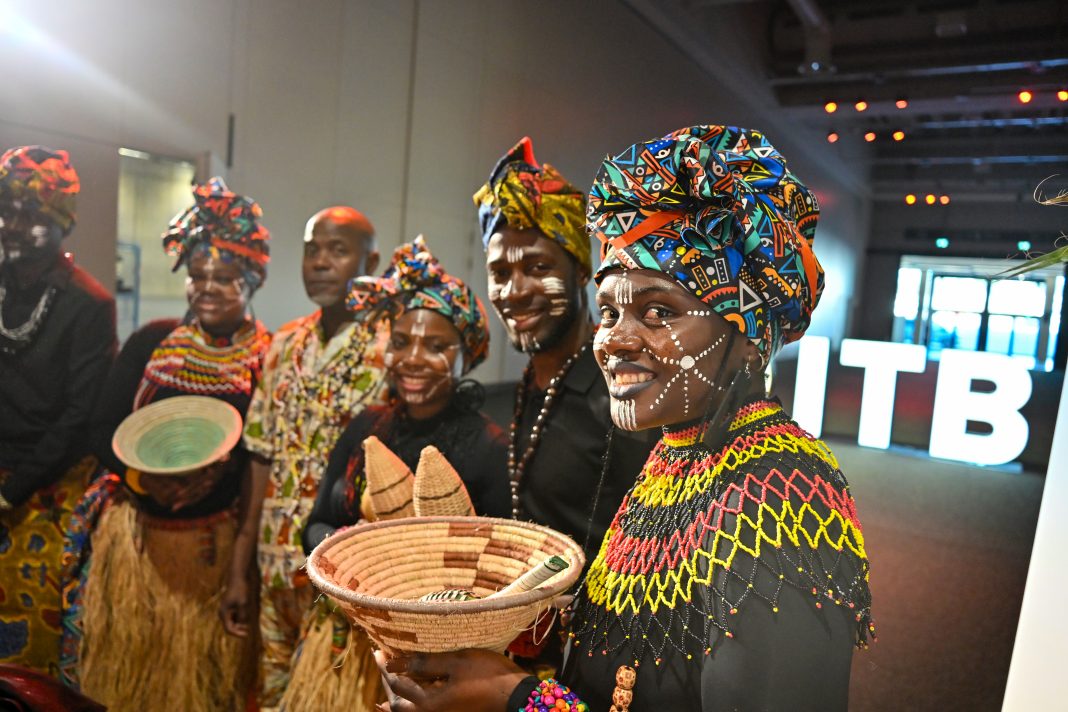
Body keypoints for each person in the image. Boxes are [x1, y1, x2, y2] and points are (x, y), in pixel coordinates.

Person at [376, 125, 873, 711]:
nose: (613, 340)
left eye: (659, 312)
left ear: (747, 336)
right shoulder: (680, 451)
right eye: (609, 312)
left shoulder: (779, 496)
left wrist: (515, 699)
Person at [60, 178, 270, 711]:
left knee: (201, 687)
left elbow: (261, 457)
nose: (207, 288)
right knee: (126, 676)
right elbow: (102, 428)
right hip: (138, 536)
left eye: (225, 278)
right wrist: (144, 479)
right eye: (197, 276)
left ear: (252, 281)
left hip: (213, 547)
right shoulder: (152, 341)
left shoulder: (269, 357)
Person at [283, 236, 508, 711]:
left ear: (467, 353)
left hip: (430, 665)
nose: (412, 359)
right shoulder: (366, 427)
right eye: (401, 342)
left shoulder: (488, 445)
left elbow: (495, 569)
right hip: (339, 647)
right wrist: (356, 555)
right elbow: (315, 524)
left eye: (436, 346)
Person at [224, 205, 388, 709]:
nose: (320, 262)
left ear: (370, 262)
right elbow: (260, 456)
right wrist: (239, 565)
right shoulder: (284, 343)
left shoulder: (391, 347)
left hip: (342, 574)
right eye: (312, 250)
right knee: (271, 693)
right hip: (273, 563)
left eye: (337, 251)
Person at [472, 137, 655, 563]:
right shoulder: (516, 395)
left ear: (581, 271)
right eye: (500, 273)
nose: (514, 292)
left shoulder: (624, 395)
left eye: (538, 267)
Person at [0, 146, 116, 674]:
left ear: (60, 222)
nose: (12, 226)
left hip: (51, 487)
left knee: (34, 637)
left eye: (29, 215)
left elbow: (78, 416)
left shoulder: (88, 303)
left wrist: (12, 490)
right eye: (5, 211)